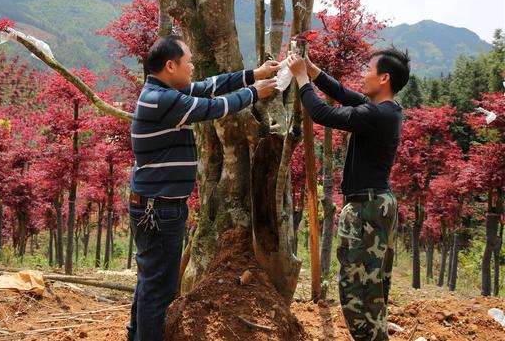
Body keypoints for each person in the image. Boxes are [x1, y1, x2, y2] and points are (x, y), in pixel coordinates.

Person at [127, 35, 280, 341]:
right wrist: (254, 92)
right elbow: (214, 107)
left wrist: (255, 73)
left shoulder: (162, 91)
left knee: (151, 282)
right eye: (189, 61)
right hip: (158, 209)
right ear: (171, 66)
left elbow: (211, 85)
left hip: (154, 205)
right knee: (160, 289)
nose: (193, 67)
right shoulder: (165, 100)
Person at [287, 48, 410, 341]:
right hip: (375, 204)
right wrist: (312, 70)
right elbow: (341, 93)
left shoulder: (377, 114)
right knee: (372, 290)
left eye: (368, 68)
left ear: (384, 78)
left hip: (367, 210)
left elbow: (323, 113)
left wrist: (302, 78)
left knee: (358, 293)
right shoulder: (383, 110)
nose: (362, 74)